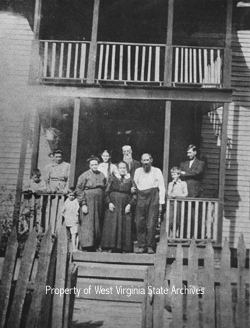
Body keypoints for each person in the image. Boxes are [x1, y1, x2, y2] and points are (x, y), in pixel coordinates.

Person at [101, 161, 137, 253]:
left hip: (125, 205)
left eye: (124, 168)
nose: (122, 169)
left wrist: (130, 204)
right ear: (117, 169)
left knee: (125, 225)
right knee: (112, 224)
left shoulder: (130, 179)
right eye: (120, 168)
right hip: (114, 204)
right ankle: (110, 246)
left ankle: (124, 248)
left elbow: (135, 195)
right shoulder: (113, 178)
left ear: (126, 169)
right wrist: (109, 203)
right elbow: (106, 192)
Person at [133, 153, 165, 254]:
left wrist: (161, 202)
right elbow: (134, 184)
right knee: (139, 222)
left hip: (153, 196)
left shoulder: (157, 171)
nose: (146, 162)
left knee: (151, 223)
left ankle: (150, 246)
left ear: (151, 161)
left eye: (148, 160)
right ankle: (142, 245)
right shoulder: (138, 171)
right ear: (141, 161)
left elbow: (162, 187)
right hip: (141, 195)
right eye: (144, 160)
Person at [76, 156, 106, 251]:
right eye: (92, 165)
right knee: (88, 222)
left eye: (96, 164)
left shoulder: (102, 175)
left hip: (99, 202)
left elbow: (105, 187)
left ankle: (97, 244)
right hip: (88, 201)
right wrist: (83, 203)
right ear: (89, 166)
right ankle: (87, 245)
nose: (94, 166)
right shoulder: (84, 175)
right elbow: (79, 190)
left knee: (98, 223)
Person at [167, 167, 188, 237]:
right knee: (171, 219)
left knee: (178, 219)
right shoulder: (170, 183)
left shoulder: (183, 183)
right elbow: (169, 193)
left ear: (179, 174)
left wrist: (177, 196)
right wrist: (172, 194)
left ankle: (178, 235)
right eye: (172, 174)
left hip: (179, 204)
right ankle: (171, 234)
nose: (173, 176)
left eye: (174, 174)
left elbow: (186, 193)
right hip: (172, 204)